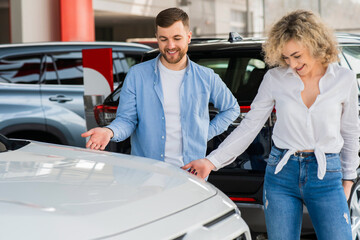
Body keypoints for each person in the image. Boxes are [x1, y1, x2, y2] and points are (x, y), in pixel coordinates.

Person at [184, 10, 359, 239]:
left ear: (316, 44)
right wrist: (211, 161)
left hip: (326, 173)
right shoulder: (275, 79)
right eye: (286, 58)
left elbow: (351, 132)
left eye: (297, 55)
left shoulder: (343, 79)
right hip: (281, 173)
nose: (292, 64)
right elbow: (250, 126)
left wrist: (348, 180)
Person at [81, 7, 239, 174]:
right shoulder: (137, 75)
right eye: (164, 39)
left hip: (191, 174)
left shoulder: (207, 77)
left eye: (177, 38)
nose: (170, 46)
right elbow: (127, 120)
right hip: (147, 174)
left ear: (188, 37)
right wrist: (109, 131)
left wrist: (204, 133)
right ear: (156, 38)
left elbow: (231, 108)